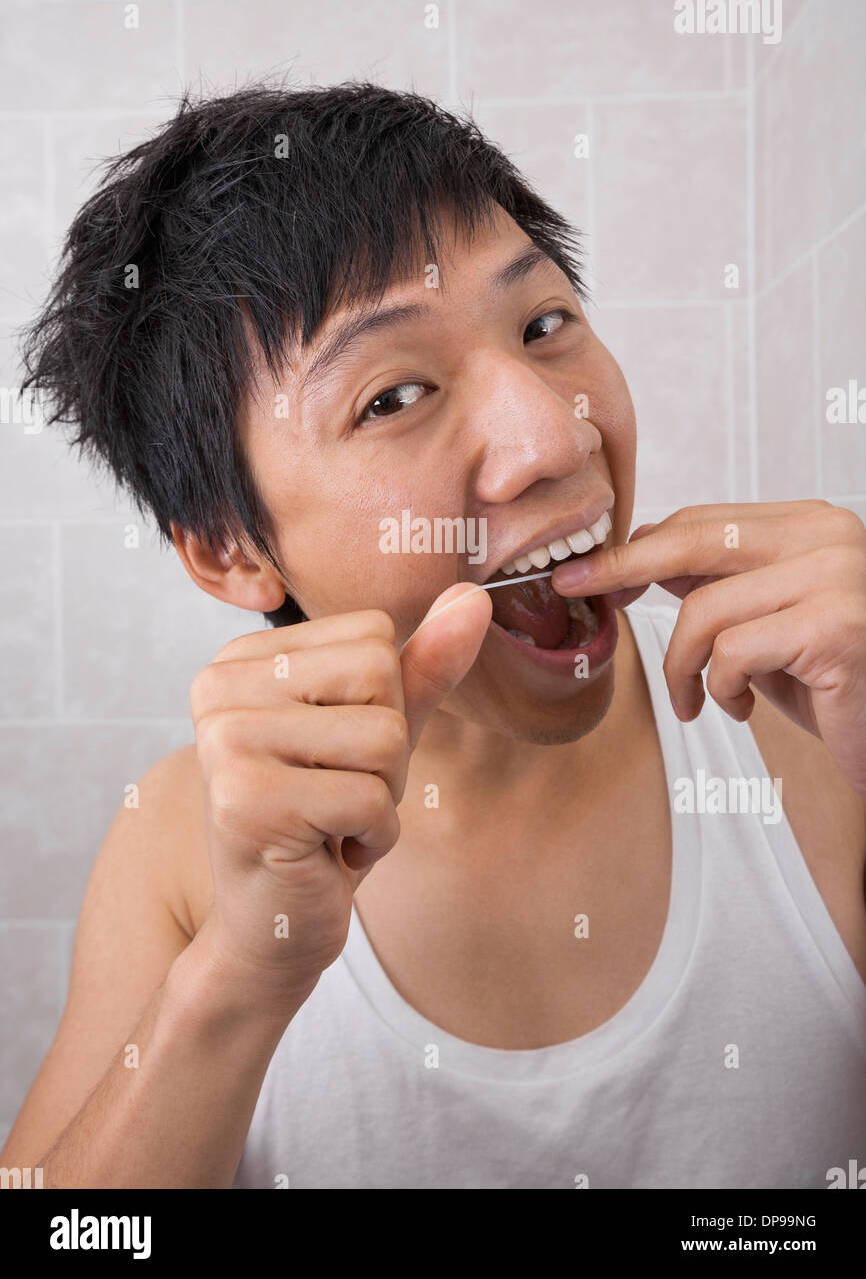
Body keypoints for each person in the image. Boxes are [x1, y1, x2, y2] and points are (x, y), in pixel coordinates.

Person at [2, 82, 864, 1189]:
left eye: (544, 325)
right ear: (231, 550)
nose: (554, 437)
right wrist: (237, 977)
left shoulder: (805, 728)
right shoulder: (180, 843)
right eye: (394, 395)